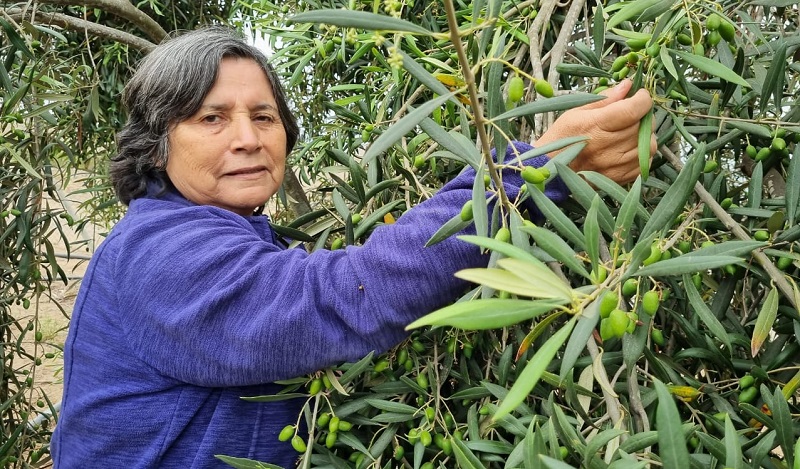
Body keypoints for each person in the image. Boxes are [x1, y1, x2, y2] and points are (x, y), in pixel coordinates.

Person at [51, 26, 656, 468]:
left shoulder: (220, 234)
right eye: (212, 119)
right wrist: (528, 169)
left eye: (264, 117)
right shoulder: (161, 253)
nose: (247, 139)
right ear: (158, 145)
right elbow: (342, 297)